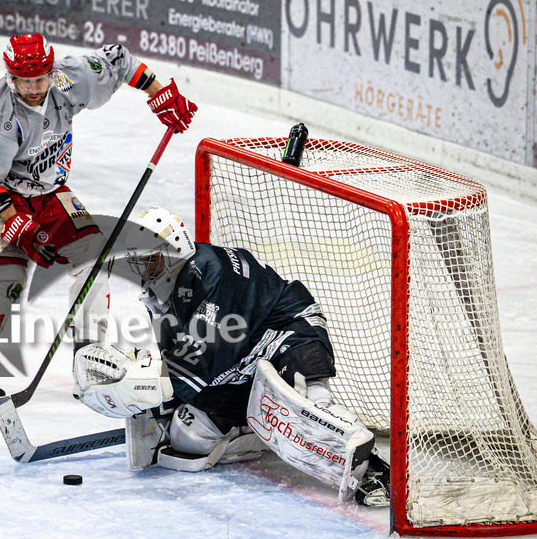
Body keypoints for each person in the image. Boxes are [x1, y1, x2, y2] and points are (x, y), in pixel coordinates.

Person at [0, 32, 198, 409]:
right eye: (24, 80)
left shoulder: (68, 77)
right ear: (10, 74)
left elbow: (119, 61)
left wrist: (159, 91)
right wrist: (18, 224)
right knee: (7, 278)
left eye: (39, 78)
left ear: (50, 68)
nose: (33, 87)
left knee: (94, 261)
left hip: (47, 190)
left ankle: (88, 357)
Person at [73, 206, 390, 506]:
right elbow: (177, 362)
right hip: (238, 360)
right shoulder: (162, 293)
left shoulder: (212, 275)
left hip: (286, 332)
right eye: (138, 263)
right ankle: (255, 427)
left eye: (151, 261)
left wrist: (129, 383)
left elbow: (186, 369)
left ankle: (373, 469)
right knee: (187, 437)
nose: (144, 271)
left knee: (308, 406)